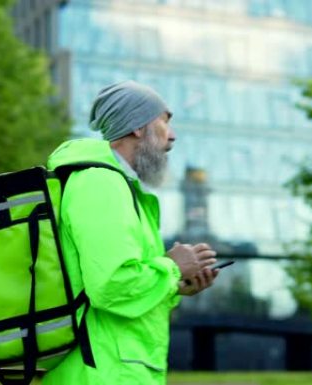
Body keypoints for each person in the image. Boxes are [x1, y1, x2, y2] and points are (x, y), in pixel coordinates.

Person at [42, 80, 220, 385]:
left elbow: (122, 284)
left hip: (117, 369)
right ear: (138, 127)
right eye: (165, 122)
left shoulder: (122, 189)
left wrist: (175, 285)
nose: (173, 136)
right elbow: (111, 285)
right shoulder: (100, 184)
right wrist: (172, 266)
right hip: (103, 373)